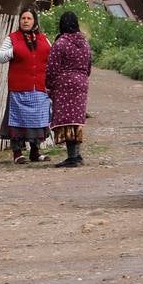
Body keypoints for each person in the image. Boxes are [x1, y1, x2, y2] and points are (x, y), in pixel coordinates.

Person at [0, 7, 52, 163]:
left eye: (29, 18)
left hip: (39, 88)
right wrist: (14, 50)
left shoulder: (43, 39)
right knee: (18, 121)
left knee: (37, 121)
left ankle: (35, 152)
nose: (25, 21)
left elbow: (51, 56)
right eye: (23, 18)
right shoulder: (12, 39)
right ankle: (17, 154)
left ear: (34, 21)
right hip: (19, 88)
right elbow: (0, 57)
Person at [46, 11, 93, 168]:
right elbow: (88, 66)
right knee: (76, 120)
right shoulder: (85, 43)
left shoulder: (60, 44)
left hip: (64, 84)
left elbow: (52, 67)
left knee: (66, 120)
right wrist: (82, 79)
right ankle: (77, 155)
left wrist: (49, 85)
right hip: (81, 83)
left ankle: (72, 156)